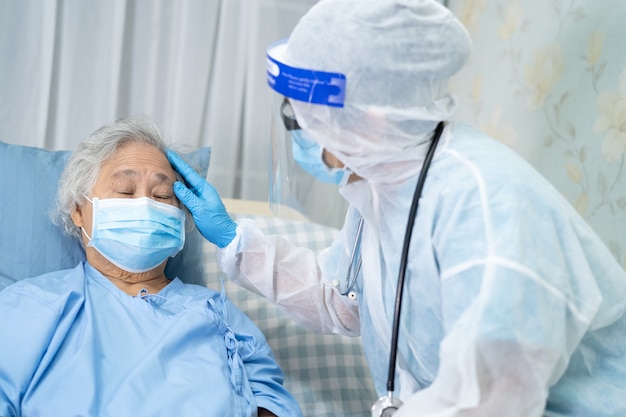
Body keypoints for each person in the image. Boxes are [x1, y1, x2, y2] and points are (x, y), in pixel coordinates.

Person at [167, 0, 626, 416]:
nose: (300, 134)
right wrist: (234, 240)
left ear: (368, 119)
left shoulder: (487, 209)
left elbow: (487, 402)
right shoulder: (384, 181)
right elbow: (343, 299)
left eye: (302, 117)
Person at [0, 116, 302, 417]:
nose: (145, 204)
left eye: (162, 196)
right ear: (78, 211)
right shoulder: (29, 307)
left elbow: (272, 402)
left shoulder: (220, 315)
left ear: (182, 217)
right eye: (125, 191)